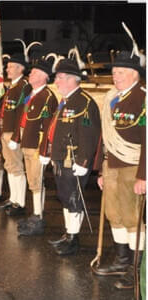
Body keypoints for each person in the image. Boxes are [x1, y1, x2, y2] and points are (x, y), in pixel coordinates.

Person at [92, 51, 146, 290]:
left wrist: (144, 175)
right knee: (114, 214)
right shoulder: (112, 98)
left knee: (133, 218)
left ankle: (136, 269)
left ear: (135, 74)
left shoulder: (142, 98)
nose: (116, 77)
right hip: (112, 164)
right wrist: (101, 170)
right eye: (114, 73)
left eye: (121, 72)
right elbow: (105, 136)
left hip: (133, 166)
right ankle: (121, 260)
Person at [39, 58, 101, 256]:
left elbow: (90, 134)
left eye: (59, 78)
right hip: (61, 158)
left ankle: (74, 238)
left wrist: (83, 162)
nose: (55, 82)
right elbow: (55, 130)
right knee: (65, 197)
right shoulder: (66, 101)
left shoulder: (84, 102)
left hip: (73, 160)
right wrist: (48, 152)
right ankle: (68, 234)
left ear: (72, 79)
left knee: (73, 198)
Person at [13, 57, 58, 236]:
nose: (30, 74)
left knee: (37, 180)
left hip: (37, 144)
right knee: (32, 179)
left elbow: (49, 126)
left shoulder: (47, 97)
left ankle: (38, 216)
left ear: (43, 76)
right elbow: (23, 118)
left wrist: (45, 149)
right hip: (27, 141)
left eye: (33, 73)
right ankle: (35, 213)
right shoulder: (31, 94)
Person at [0, 53, 31, 214]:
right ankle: (13, 198)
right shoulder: (13, 86)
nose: (7, 69)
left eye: (11, 66)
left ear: (20, 68)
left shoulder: (24, 86)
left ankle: (19, 202)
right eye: (7, 66)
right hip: (5, 131)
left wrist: (16, 136)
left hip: (13, 133)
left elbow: (22, 113)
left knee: (16, 167)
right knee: (9, 165)